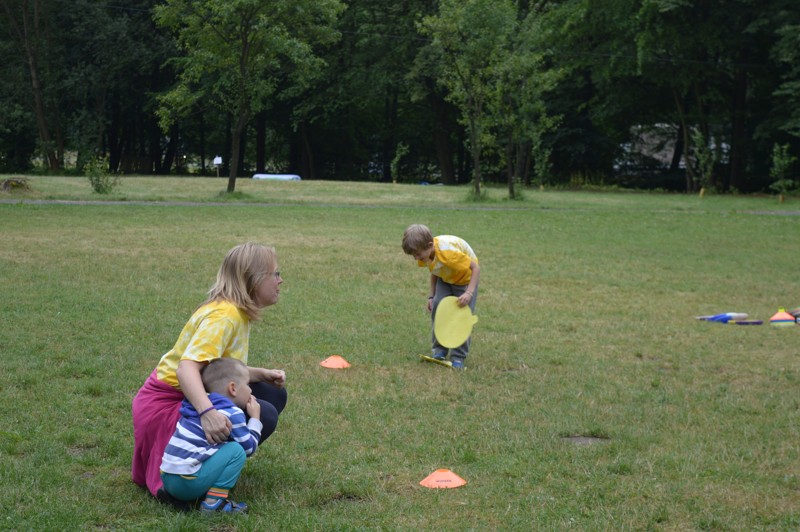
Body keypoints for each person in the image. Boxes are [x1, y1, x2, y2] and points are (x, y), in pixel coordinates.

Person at [132, 242, 288, 504]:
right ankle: (190, 482)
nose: (280, 280)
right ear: (253, 279)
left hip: (191, 392)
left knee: (272, 394)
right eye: (275, 274)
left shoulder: (235, 312)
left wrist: (261, 374)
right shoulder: (224, 316)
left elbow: (216, 371)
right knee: (265, 414)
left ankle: (214, 467)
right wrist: (207, 413)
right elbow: (186, 369)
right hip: (167, 404)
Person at [160, 358, 262, 514]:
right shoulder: (233, 412)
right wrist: (255, 418)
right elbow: (249, 448)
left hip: (166, 477)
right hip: (187, 483)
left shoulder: (194, 405)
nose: (250, 391)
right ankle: (213, 504)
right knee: (236, 451)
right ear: (233, 388)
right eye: (248, 385)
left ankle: (176, 497)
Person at [401, 224, 480, 369]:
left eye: (418, 254)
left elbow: (475, 268)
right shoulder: (426, 253)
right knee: (438, 309)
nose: (416, 258)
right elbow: (435, 270)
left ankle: (458, 356)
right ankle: (439, 350)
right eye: (413, 255)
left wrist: (469, 292)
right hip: (446, 278)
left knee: (462, 317)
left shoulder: (449, 255)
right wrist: (431, 296)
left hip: (465, 280)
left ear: (430, 245)